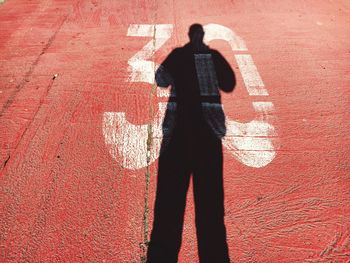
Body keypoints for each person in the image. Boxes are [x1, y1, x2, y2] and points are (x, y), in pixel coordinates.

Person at [147, 23, 236, 263]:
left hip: (178, 131)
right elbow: (229, 83)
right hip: (208, 132)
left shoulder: (178, 55)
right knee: (210, 205)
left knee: (169, 203)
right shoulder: (214, 56)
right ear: (202, 36)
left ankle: (161, 257)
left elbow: (160, 79)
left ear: (189, 36)